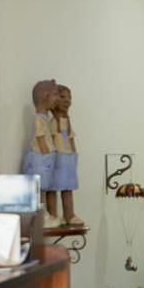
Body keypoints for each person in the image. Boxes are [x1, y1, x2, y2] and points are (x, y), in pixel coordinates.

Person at [23, 79, 59, 227]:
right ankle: (39, 215)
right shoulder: (39, 119)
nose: (57, 98)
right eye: (55, 94)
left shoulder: (45, 119)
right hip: (41, 159)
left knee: (42, 189)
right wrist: (46, 155)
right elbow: (41, 137)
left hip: (45, 160)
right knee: (39, 189)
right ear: (45, 95)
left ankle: (42, 213)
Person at [50, 84, 84, 226]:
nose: (67, 101)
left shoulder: (66, 122)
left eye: (69, 98)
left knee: (67, 188)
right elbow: (51, 140)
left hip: (68, 158)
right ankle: (52, 215)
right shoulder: (53, 122)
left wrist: (74, 154)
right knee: (52, 188)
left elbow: (70, 138)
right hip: (57, 158)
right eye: (63, 97)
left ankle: (69, 214)